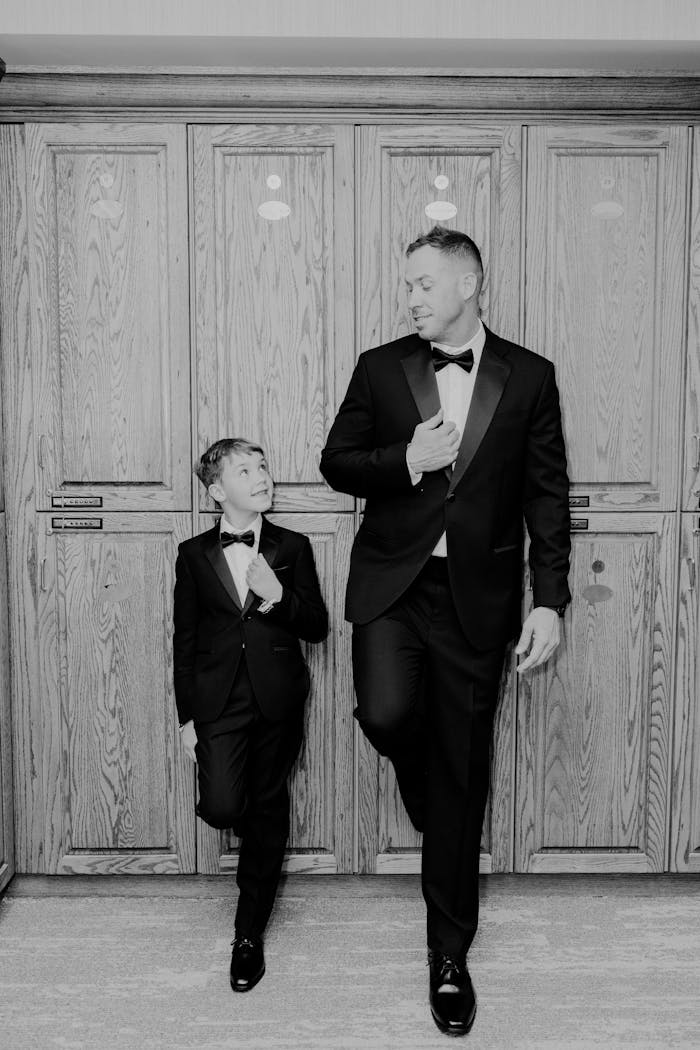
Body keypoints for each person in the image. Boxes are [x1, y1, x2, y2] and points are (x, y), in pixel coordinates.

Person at [320, 226, 570, 1037]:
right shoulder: (379, 367)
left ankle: (449, 956)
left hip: (479, 596)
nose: (412, 298)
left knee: (467, 769)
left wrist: (548, 601)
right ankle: (434, 794)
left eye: (424, 284)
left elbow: (545, 497)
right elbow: (336, 462)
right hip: (393, 581)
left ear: (469, 284)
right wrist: (407, 460)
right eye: (408, 287)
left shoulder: (529, 377)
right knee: (387, 716)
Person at [173, 438, 328, 993]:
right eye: (245, 470)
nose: (262, 477)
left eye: (263, 467)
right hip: (218, 702)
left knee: (265, 805)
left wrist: (279, 594)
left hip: (277, 697)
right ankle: (252, 818)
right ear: (217, 490)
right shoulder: (192, 556)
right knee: (221, 806)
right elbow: (184, 642)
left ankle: (248, 933)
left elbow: (316, 625)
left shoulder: (293, 545)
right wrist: (187, 718)